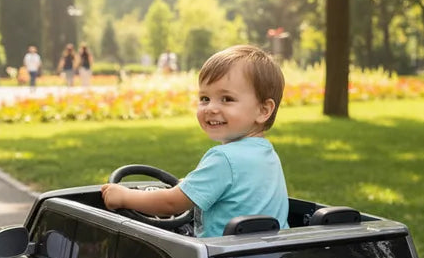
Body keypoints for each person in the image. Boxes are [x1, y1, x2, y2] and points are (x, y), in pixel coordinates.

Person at [101, 44, 289, 238]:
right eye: (205, 98)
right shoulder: (267, 154)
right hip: (265, 255)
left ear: (263, 110)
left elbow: (171, 203)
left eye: (227, 99)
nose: (211, 108)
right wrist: (190, 186)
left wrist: (124, 196)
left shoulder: (223, 158)